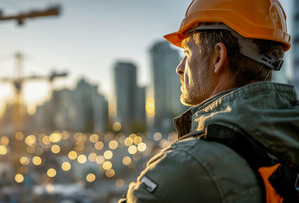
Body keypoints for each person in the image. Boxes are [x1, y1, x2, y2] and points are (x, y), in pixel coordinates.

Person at [120, 0, 299, 202]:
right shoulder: (289, 132)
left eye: (187, 52)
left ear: (218, 57)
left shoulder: (189, 166)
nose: (180, 67)